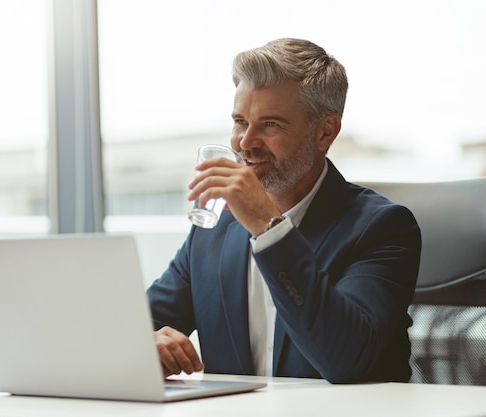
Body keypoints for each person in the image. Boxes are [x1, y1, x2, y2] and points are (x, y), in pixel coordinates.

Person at [146, 38, 421, 383]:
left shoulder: (383, 227)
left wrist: (269, 228)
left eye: (270, 124)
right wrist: (147, 343)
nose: (245, 143)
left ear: (325, 132)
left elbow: (346, 359)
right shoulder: (215, 228)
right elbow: (137, 327)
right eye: (240, 122)